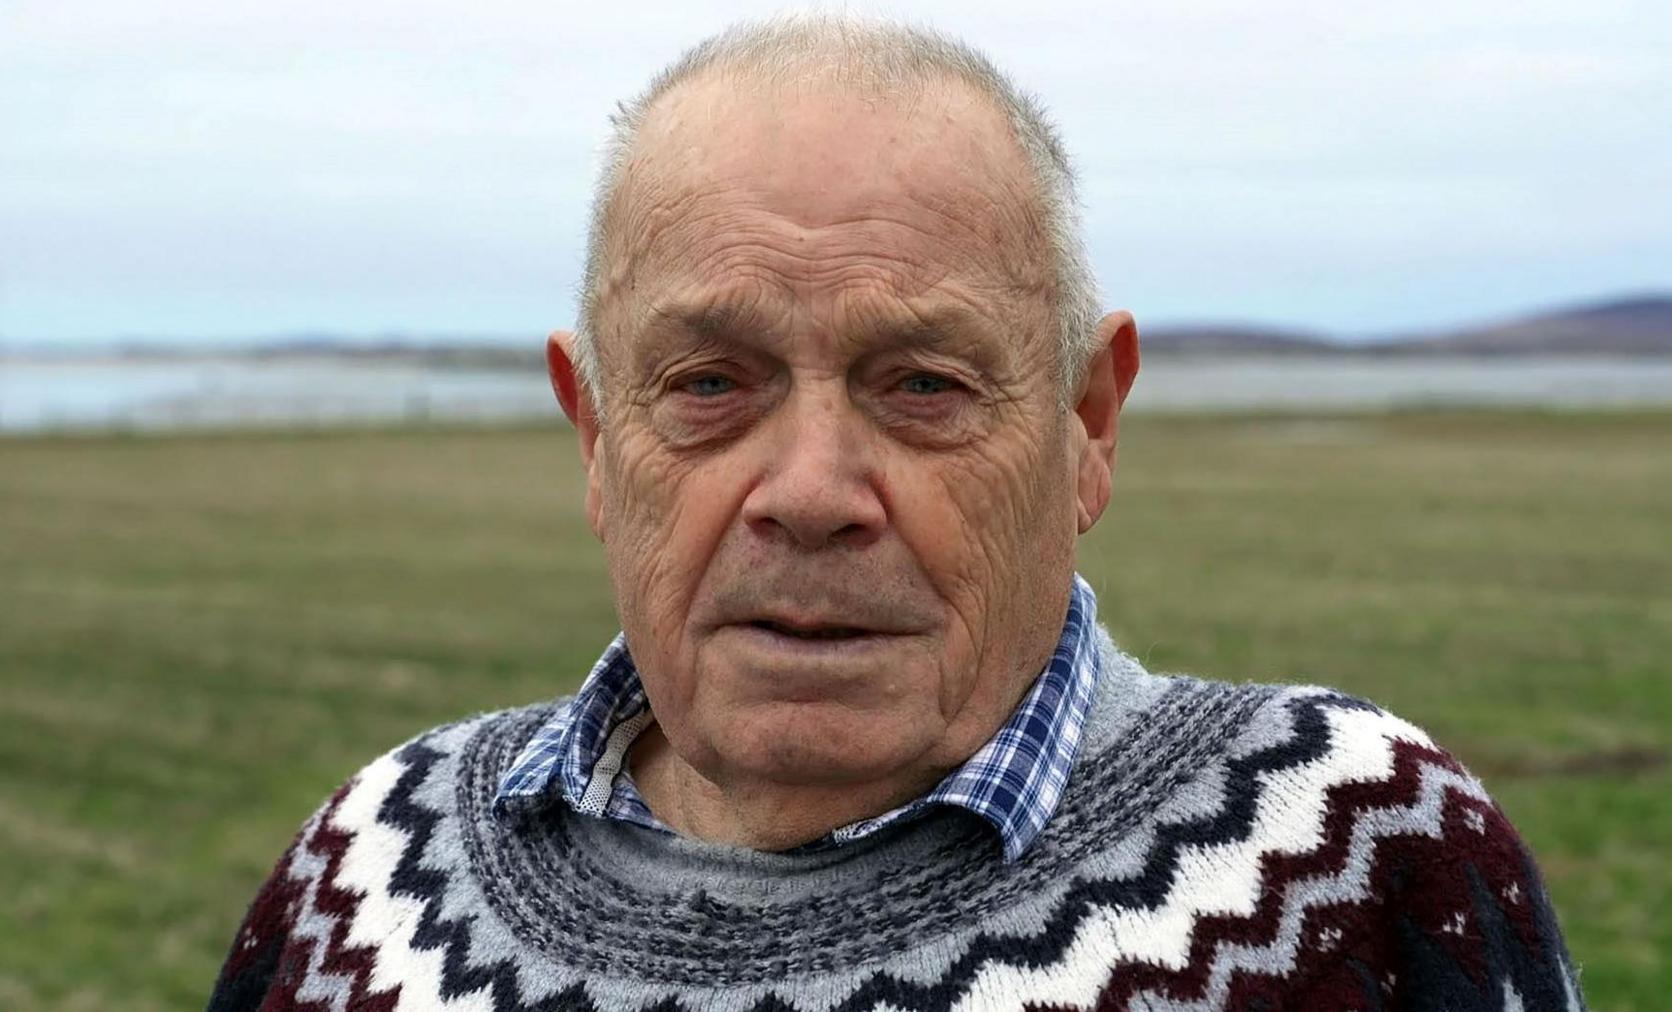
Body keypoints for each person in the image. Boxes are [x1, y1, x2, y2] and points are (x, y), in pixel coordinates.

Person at [207, 15, 1583, 1011]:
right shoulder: (374, 878)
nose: (809, 493)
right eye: (707, 384)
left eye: (922, 383)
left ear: (1087, 423)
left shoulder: (1347, 858)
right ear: (595, 432)